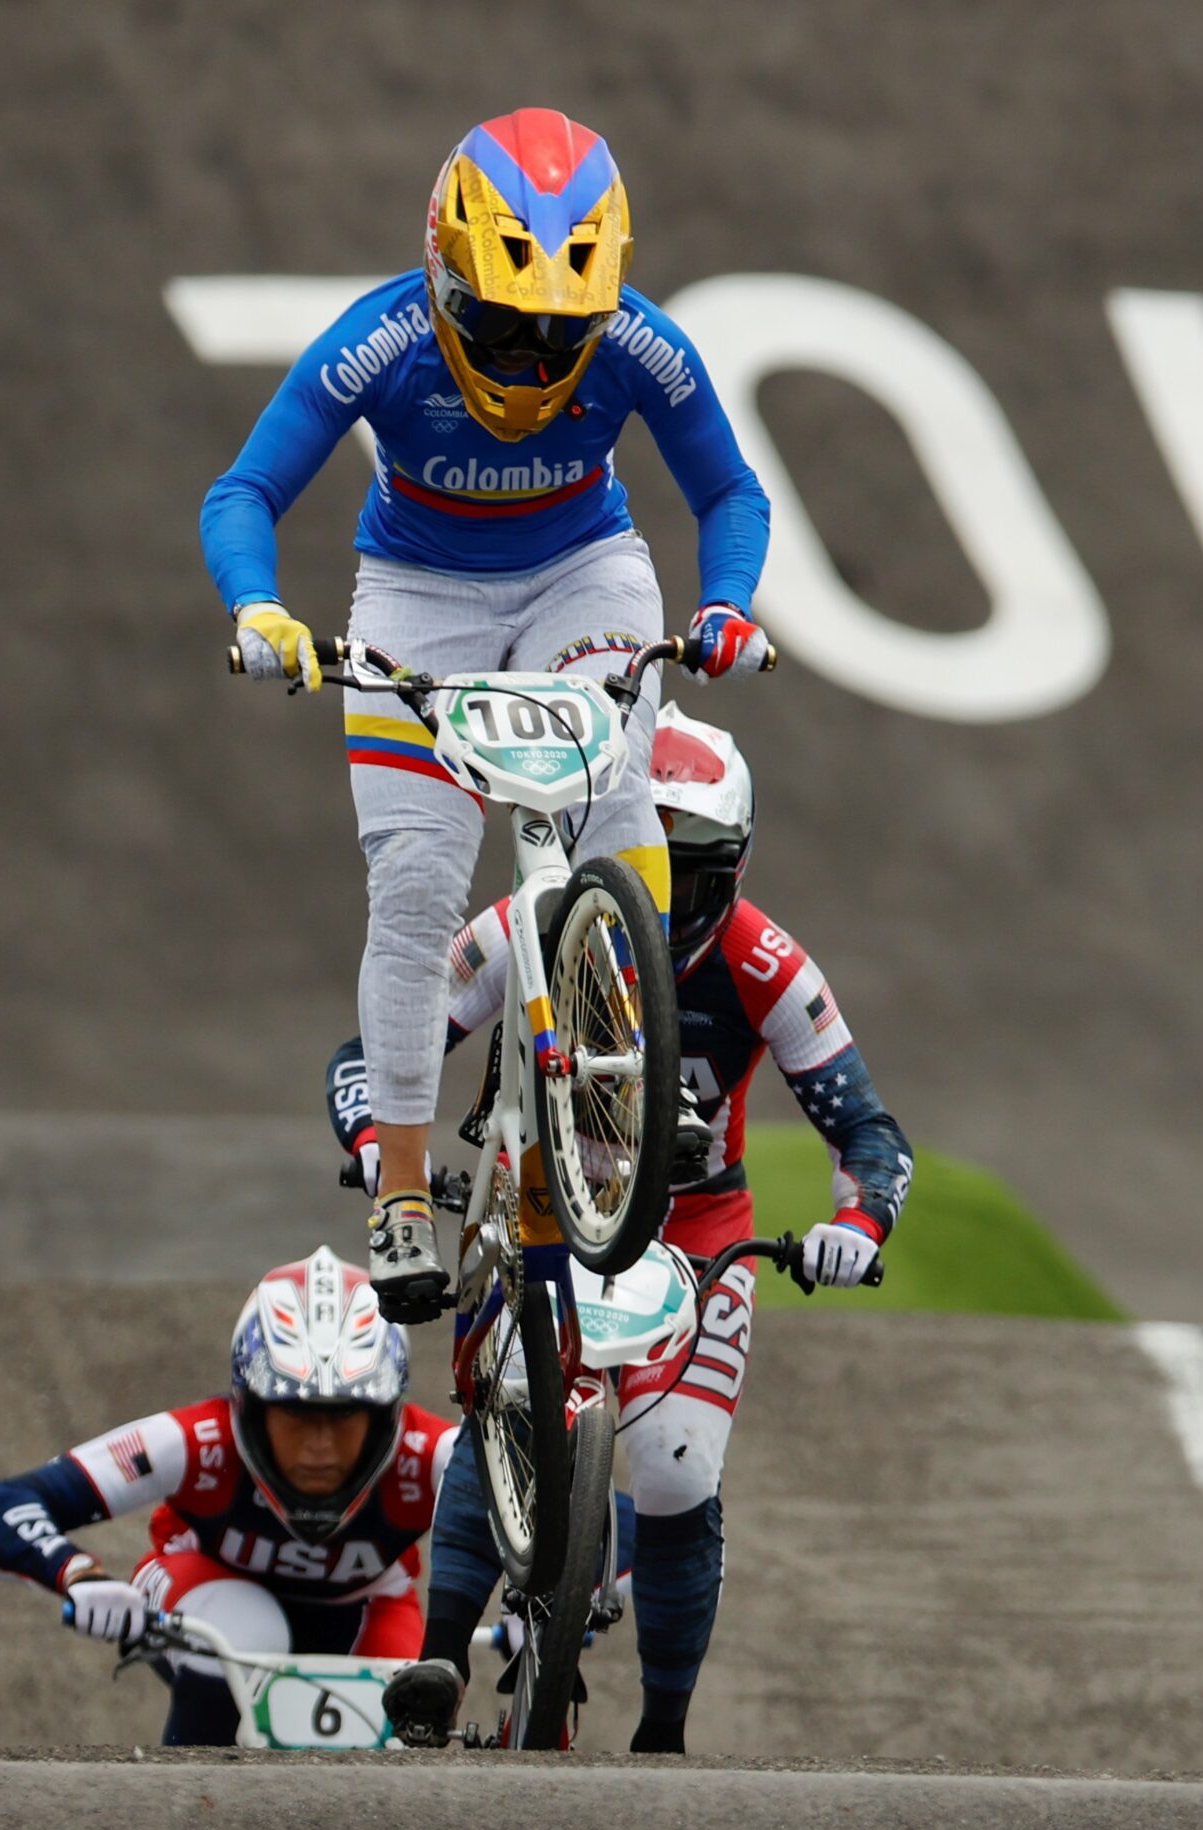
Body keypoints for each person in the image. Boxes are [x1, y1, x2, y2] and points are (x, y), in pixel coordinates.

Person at [199, 107, 776, 1322]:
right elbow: (246, 489)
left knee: (615, 783)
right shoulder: (380, 342)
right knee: (416, 886)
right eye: (502, 325)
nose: (526, 361)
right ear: (444, 276)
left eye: (557, 334)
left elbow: (727, 488)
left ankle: (635, 1058)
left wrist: (724, 605)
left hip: (586, 573)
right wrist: (262, 610)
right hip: (415, 599)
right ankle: (402, 1190)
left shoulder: (642, 343)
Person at [329, 703, 913, 1752]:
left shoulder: (767, 962)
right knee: (502, 1390)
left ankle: (664, 1733)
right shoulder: (528, 921)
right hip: (541, 1203)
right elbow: (375, 1047)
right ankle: (441, 1654)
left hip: (696, 1229)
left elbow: (867, 1131)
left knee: (682, 1468)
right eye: (648, 863)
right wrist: (386, 1152)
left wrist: (858, 1224)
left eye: (695, 873)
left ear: (734, 868)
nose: (666, 896)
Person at [0, 1250, 451, 1747]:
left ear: (387, 1412)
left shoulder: (433, 1452)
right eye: (295, 1414)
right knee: (247, 1627)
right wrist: (76, 1573)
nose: (319, 1445)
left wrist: (531, 1614)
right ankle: (188, 1812)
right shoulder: (195, 1440)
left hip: (366, 1611)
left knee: (415, 1710)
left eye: (345, 1415)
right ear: (251, 1407)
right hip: (204, 1599)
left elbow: (531, 1513)